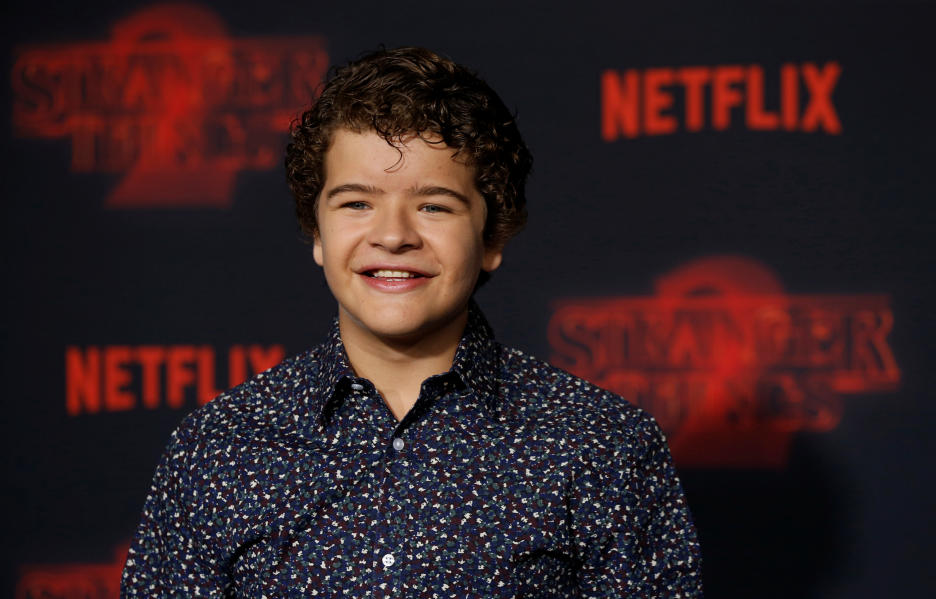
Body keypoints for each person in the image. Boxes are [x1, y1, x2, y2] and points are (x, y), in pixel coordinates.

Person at [121, 46, 703, 597]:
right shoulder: (218, 450)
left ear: (492, 236)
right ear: (317, 234)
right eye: (356, 203)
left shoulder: (601, 444)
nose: (394, 234)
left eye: (433, 205)